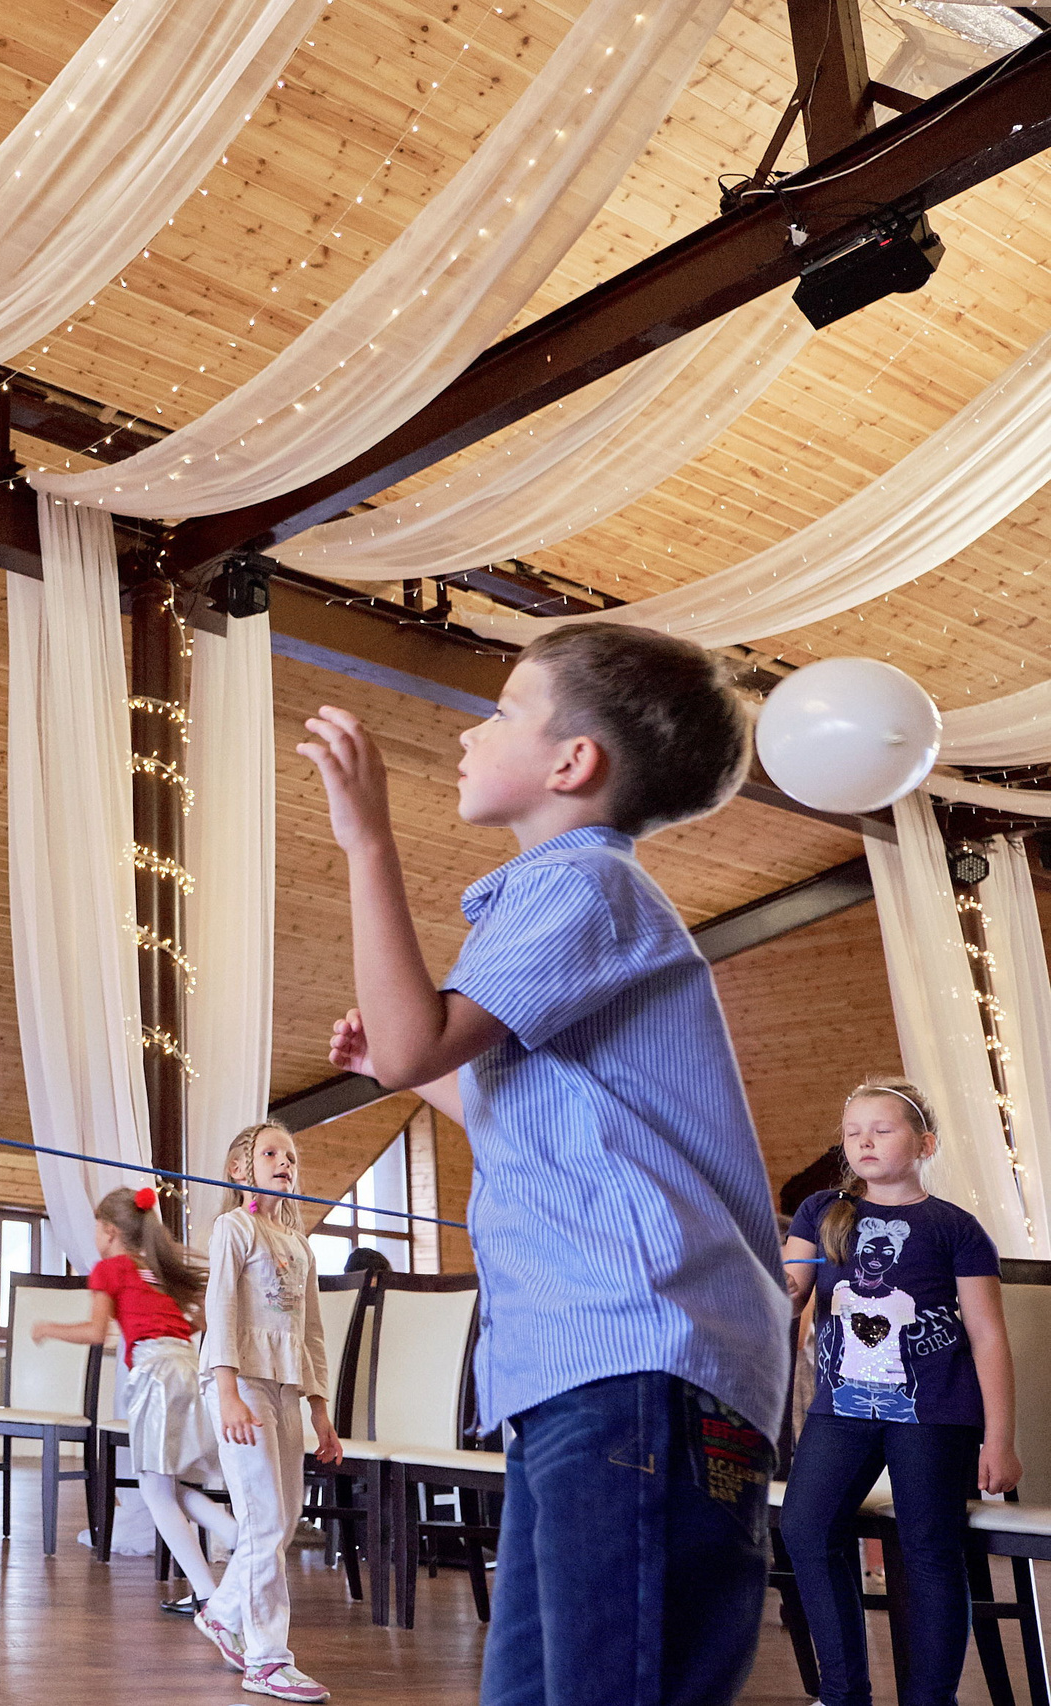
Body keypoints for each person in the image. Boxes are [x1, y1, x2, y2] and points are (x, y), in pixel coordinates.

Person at [302, 621, 788, 1706]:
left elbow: (420, 1035)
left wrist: (367, 841)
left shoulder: (582, 887)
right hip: (595, 1363)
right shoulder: (563, 898)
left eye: (504, 709)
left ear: (573, 763)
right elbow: (523, 1107)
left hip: (638, 1359)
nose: (473, 733)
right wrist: (407, 1069)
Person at [780, 1077, 1020, 1706]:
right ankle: (841, 1694)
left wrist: (999, 1439)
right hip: (841, 1409)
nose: (864, 1141)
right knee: (806, 1527)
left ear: (925, 1143)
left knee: (930, 1550)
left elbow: (988, 1336)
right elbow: (791, 1289)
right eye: (853, 1132)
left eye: (882, 1129)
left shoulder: (957, 1229)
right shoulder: (821, 1211)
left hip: (935, 1416)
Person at [32, 1185, 239, 1612]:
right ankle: (233, 1542)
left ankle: (209, 1594)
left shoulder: (111, 1269)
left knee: (155, 1490)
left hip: (155, 1375)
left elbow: (95, 1332)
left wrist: (49, 1328)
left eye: (95, 1227)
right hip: (186, 1369)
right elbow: (199, 1319)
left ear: (109, 1231)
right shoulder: (159, 1270)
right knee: (163, 1484)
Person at [198, 1122, 342, 1703]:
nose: (285, 1162)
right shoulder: (234, 1228)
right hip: (240, 1385)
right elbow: (221, 1312)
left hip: (285, 1389)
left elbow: (311, 1334)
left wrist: (321, 1412)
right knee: (262, 1520)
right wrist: (227, 1390)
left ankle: (222, 1613)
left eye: (290, 1156)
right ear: (241, 1170)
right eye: (271, 1153)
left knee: (283, 1521)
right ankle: (266, 1660)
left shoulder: (300, 1246)